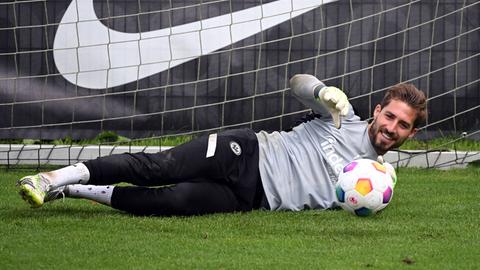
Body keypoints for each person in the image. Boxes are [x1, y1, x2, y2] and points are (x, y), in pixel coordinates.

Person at [17, 74, 426, 215]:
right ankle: (49, 176)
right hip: (247, 153)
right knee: (161, 169)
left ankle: (71, 190)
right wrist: (322, 92)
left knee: (169, 203)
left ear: (410, 134)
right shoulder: (342, 116)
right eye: (389, 116)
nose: (390, 128)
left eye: (402, 126)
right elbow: (296, 84)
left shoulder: (378, 182)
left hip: (252, 199)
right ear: (378, 110)